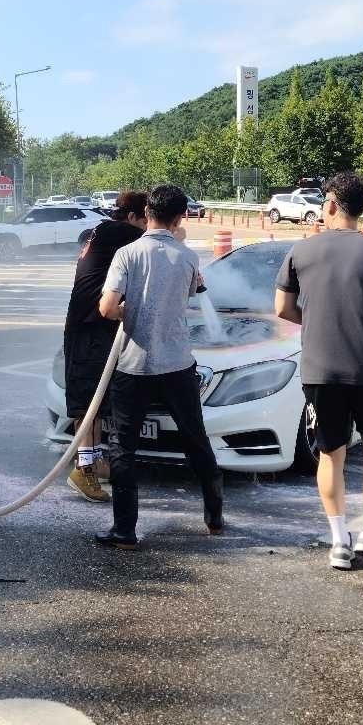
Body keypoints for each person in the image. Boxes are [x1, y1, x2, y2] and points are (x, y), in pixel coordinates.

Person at [273, 171, 363, 571]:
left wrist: (315, 322)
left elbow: (281, 308)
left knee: (330, 454)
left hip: (319, 371)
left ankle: (339, 542)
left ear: (330, 205)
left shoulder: (301, 251)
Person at [97, 184, 224, 549]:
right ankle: (214, 517)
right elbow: (185, 298)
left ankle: (125, 531)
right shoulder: (188, 258)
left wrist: (130, 313)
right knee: (195, 438)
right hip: (178, 365)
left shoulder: (127, 254)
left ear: (147, 211)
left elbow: (107, 308)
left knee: (124, 447)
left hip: (133, 366)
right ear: (181, 216)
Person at [62, 191, 148, 502]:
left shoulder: (106, 232)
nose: (146, 228)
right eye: (145, 220)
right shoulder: (118, 232)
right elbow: (159, 238)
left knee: (96, 402)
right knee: (87, 400)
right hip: (88, 328)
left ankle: (94, 462)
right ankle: (83, 469)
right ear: (133, 218)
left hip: (91, 327)